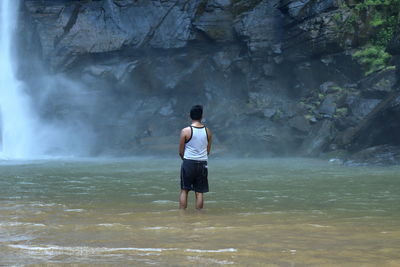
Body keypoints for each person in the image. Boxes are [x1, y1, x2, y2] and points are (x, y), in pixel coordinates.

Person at [178, 105, 212, 210]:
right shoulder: (208, 131)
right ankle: (199, 216)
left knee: (184, 190)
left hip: (189, 162)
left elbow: (180, 151)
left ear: (189, 116)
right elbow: (208, 151)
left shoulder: (185, 131)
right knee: (199, 192)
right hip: (202, 163)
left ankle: (182, 215)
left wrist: (185, 159)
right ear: (202, 116)